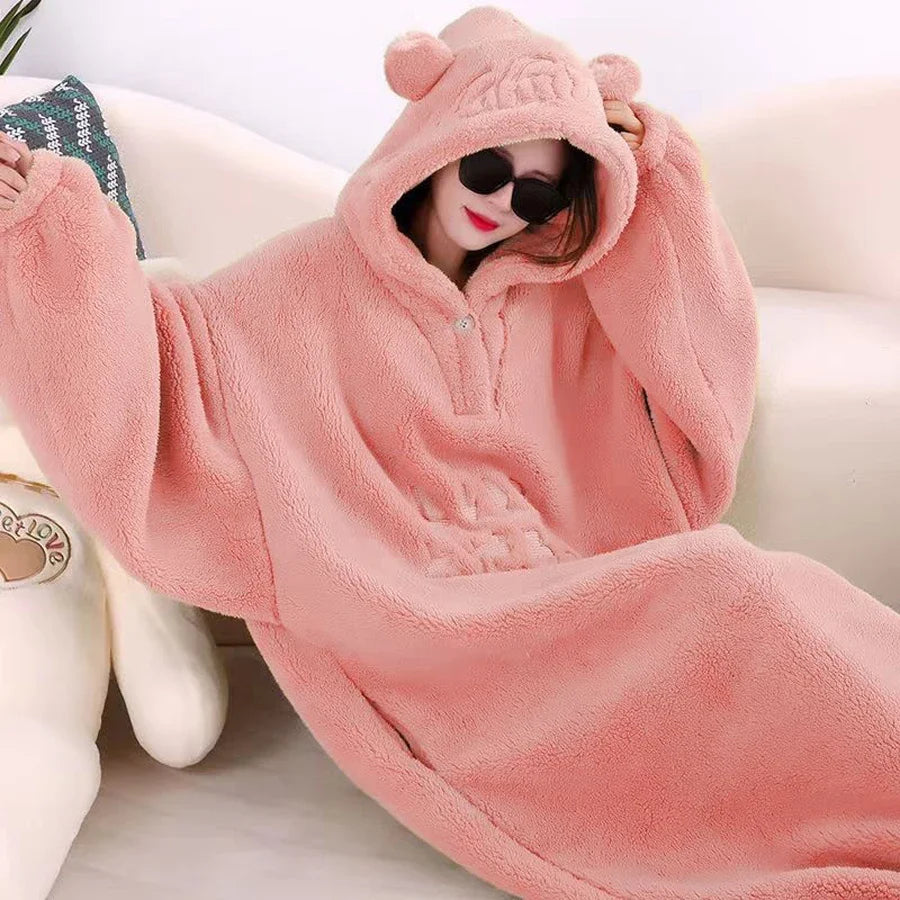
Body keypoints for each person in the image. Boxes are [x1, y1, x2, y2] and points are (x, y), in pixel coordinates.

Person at [1, 7, 898, 899]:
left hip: (588, 586)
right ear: (437, 141)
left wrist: (659, 180)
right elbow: (156, 373)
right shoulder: (293, 284)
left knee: (766, 590)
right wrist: (48, 229)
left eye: (537, 193)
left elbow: (695, 370)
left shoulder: (563, 296)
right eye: (487, 166)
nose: (502, 202)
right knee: (725, 586)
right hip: (437, 633)